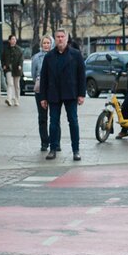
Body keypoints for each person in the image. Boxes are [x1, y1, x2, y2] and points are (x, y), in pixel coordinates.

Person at [40, 28, 86, 161]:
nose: (60, 39)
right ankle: (53, 149)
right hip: (53, 94)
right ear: (55, 39)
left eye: (62, 36)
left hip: (71, 93)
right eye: (58, 36)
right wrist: (43, 97)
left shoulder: (75, 54)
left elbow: (81, 75)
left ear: (66, 38)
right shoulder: (49, 56)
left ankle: (76, 150)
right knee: (53, 122)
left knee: (73, 122)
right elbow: (44, 77)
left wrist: (81, 94)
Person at [31, 35, 53, 151]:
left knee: (54, 117)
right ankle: (44, 142)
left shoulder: (55, 56)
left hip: (53, 89)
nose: (46, 45)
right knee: (42, 117)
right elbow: (34, 74)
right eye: (44, 43)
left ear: (51, 44)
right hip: (41, 90)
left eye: (48, 43)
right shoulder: (36, 57)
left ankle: (55, 142)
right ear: (41, 44)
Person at [1, 34, 24, 107]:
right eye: (12, 39)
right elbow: (2, 58)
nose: (14, 40)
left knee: (16, 85)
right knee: (10, 84)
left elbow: (21, 58)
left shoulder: (19, 49)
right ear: (9, 41)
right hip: (8, 69)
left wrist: (20, 65)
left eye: (15, 39)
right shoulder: (6, 49)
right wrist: (3, 65)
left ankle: (16, 100)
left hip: (17, 69)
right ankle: (9, 99)